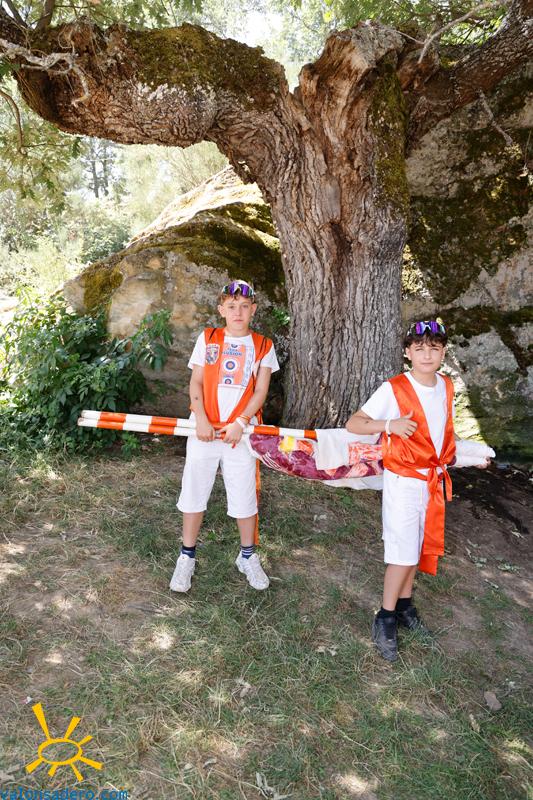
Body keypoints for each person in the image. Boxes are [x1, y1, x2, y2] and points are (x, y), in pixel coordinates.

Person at [346, 320, 458, 662]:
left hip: (431, 480)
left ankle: (405, 606)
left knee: (417, 546)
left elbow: (443, 433)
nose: (427, 355)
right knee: (402, 552)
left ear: (443, 352)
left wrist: (473, 456)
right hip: (404, 481)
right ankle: (385, 616)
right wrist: (389, 425)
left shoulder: (446, 386)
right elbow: (355, 423)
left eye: (434, 348)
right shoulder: (394, 388)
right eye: (419, 348)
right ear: (408, 352)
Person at [170, 279, 279, 593]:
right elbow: (196, 383)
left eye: (244, 306)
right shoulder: (208, 338)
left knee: (244, 494)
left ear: (253, 309)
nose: (238, 312)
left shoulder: (263, 345)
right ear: (221, 310)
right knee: (194, 490)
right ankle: (187, 556)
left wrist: (241, 422)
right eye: (232, 306)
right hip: (204, 428)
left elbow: (260, 391)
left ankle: (247, 556)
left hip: (240, 433)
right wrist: (201, 419)